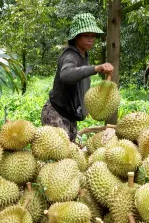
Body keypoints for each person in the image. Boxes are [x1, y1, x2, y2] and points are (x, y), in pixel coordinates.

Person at [41, 13, 114, 141]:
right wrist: (96, 68)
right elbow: (66, 75)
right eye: (86, 35)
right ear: (75, 37)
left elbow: (81, 83)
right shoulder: (70, 55)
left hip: (70, 117)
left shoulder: (83, 56)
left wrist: (86, 108)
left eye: (93, 36)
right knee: (58, 157)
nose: (91, 39)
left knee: (69, 158)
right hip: (56, 115)